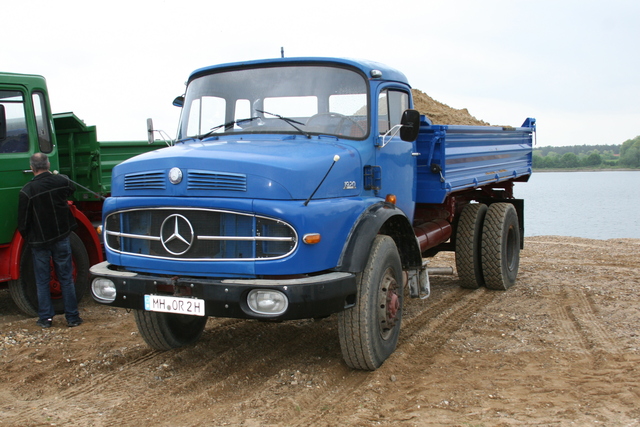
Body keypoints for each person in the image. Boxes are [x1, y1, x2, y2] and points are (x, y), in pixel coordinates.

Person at [17, 153, 83, 328]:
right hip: (61, 237)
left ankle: (46, 318)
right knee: (66, 278)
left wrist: (30, 239)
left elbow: (22, 223)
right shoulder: (60, 182)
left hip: (39, 242)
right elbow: (71, 188)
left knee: (42, 280)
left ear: (32, 168)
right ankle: (72, 317)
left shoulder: (27, 191)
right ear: (48, 164)